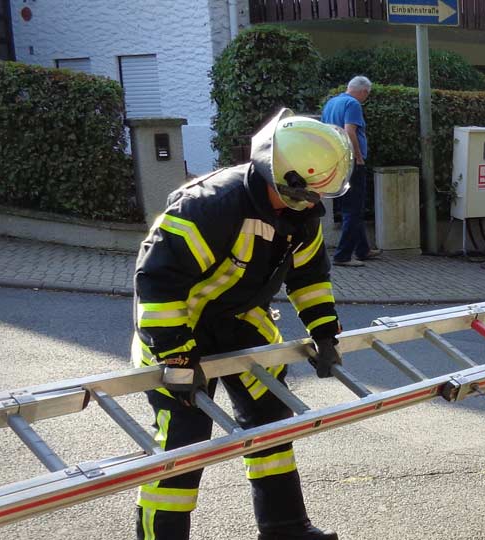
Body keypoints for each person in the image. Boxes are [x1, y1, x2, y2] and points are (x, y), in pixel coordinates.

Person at [132, 108, 349, 540]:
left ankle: (285, 529)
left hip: (241, 321)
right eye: (308, 194)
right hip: (180, 325)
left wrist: (324, 332)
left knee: (271, 421)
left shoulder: (300, 215)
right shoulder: (209, 205)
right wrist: (176, 354)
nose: (315, 203)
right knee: (183, 444)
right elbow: (157, 280)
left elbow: (308, 278)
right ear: (282, 180)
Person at [321, 75, 378, 267]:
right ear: (363, 91)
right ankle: (343, 255)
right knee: (353, 209)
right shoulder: (353, 104)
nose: (365, 98)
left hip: (337, 161)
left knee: (349, 207)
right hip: (351, 162)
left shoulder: (331, 103)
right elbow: (350, 130)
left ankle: (363, 250)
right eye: (366, 94)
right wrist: (359, 156)